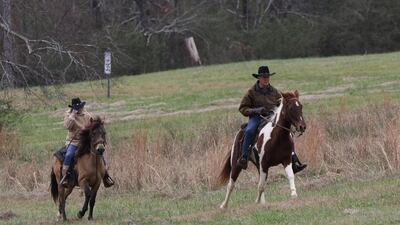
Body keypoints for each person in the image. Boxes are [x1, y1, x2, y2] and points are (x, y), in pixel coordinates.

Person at [237, 66, 307, 173]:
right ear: (259, 78)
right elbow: (242, 108)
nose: (266, 79)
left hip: (271, 117)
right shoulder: (251, 92)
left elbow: (282, 105)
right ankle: (244, 157)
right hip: (257, 117)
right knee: (250, 130)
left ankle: (294, 160)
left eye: (267, 77)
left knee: (287, 133)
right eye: (263, 77)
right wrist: (256, 110)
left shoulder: (274, 92)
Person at [60, 97, 114, 187]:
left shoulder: (87, 115)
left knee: (99, 152)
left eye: (80, 107)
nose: (79, 109)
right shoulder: (68, 115)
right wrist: (72, 116)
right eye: (77, 107)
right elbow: (67, 126)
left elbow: (93, 125)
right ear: (73, 108)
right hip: (73, 141)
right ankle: (65, 176)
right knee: (69, 154)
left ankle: (105, 176)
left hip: (85, 141)